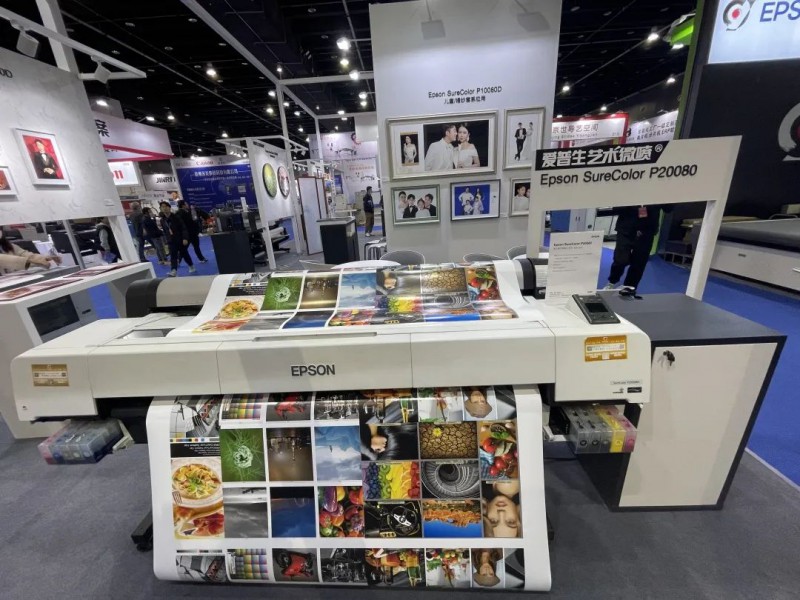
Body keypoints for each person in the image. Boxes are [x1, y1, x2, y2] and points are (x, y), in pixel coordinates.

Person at [604, 204, 670, 293]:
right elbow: (616, 208)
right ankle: (612, 281)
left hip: (647, 229)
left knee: (639, 262)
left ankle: (629, 287)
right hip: (626, 227)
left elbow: (668, 208)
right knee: (620, 259)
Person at [160, 201, 195, 277]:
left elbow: (183, 228)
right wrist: (167, 240)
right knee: (173, 256)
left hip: (180, 239)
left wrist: (185, 238)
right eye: (162, 207)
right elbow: (165, 231)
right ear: (161, 209)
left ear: (169, 208)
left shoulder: (176, 217)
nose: (164, 208)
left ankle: (191, 265)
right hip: (171, 241)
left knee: (185, 254)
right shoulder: (162, 220)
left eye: (166, 206)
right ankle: (174, 270)